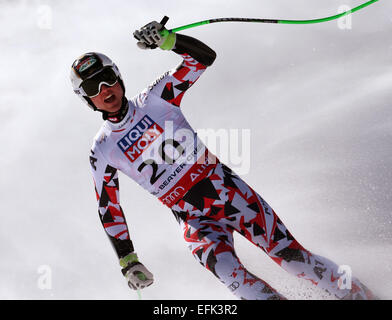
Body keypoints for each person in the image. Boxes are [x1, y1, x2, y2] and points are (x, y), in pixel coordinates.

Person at [70, 20, 376, 300]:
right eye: (92, 88)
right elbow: (108, 208)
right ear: (85, 99)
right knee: (237, 280)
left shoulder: (156, 98)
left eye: (107, 78)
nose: (104, 90)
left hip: (229, 194)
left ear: (119, 76)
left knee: (293, 260)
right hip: (194, 220)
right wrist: (128, 261)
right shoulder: (102, 149)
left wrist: (168, 40)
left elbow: (203, 59)